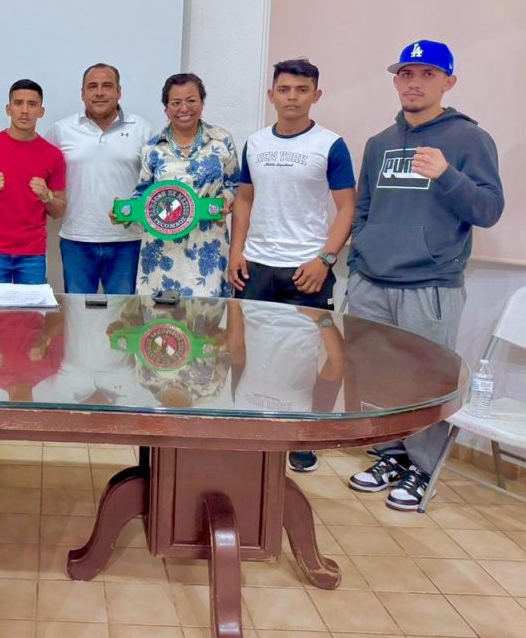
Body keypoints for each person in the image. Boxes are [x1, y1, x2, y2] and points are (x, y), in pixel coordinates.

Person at [346, 40, 503, 511]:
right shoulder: (379, 142)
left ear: (448, 82)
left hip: (429, 284)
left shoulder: (470, 139)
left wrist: (447, 174)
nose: (414, 83)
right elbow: (364, 208)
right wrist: (359, 261)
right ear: (396, 80)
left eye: (428, 74)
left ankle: (423, 467)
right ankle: (390, 456)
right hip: (372, 281)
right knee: (376, 377)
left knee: (426, 381)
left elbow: (489, 210)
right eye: (406, 73)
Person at [228, 58, 356, 473]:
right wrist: (236, 251)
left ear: (316, 95)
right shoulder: (256, 143)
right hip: (256, 266)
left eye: (302, 90)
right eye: (284, 90)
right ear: (271, 95)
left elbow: (347, 208)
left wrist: (326, 259)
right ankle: (245, 425)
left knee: (317, 353)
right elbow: (244, 199)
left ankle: (307, 437)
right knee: (244, 348)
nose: (292, 98)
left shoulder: (330, 145)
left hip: (307, 270)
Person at [46, 63, 154, 294]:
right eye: (92, 86)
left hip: (127, 241)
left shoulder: (142, 130)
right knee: (78, 313)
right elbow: (41, 171)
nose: (99, 93)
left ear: (119, 92)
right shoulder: (61, 130)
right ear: (82, 93)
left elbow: (154, 184)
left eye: (107, 86)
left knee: (123, 314)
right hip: (77, 240)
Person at [134, 73, 239, 297]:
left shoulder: (222, 140)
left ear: (202, 103)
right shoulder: (152, 148)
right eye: (175, 103)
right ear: (166, 108)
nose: (184, 108)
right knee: (159, 314)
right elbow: (142, 193)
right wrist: (125, 211)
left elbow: (235, 185)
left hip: (207, 245)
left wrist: (225, 201)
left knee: (208, 314)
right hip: (161, 250)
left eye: (191, 100)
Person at [0, 79, 66, 292]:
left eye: (32, 104)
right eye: (18, 103)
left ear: (41, 111)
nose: (24, 111)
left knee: (31, 311)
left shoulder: (53, 155)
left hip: (32, 253)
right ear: (8, 108)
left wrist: (47, 196)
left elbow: (58, 210)